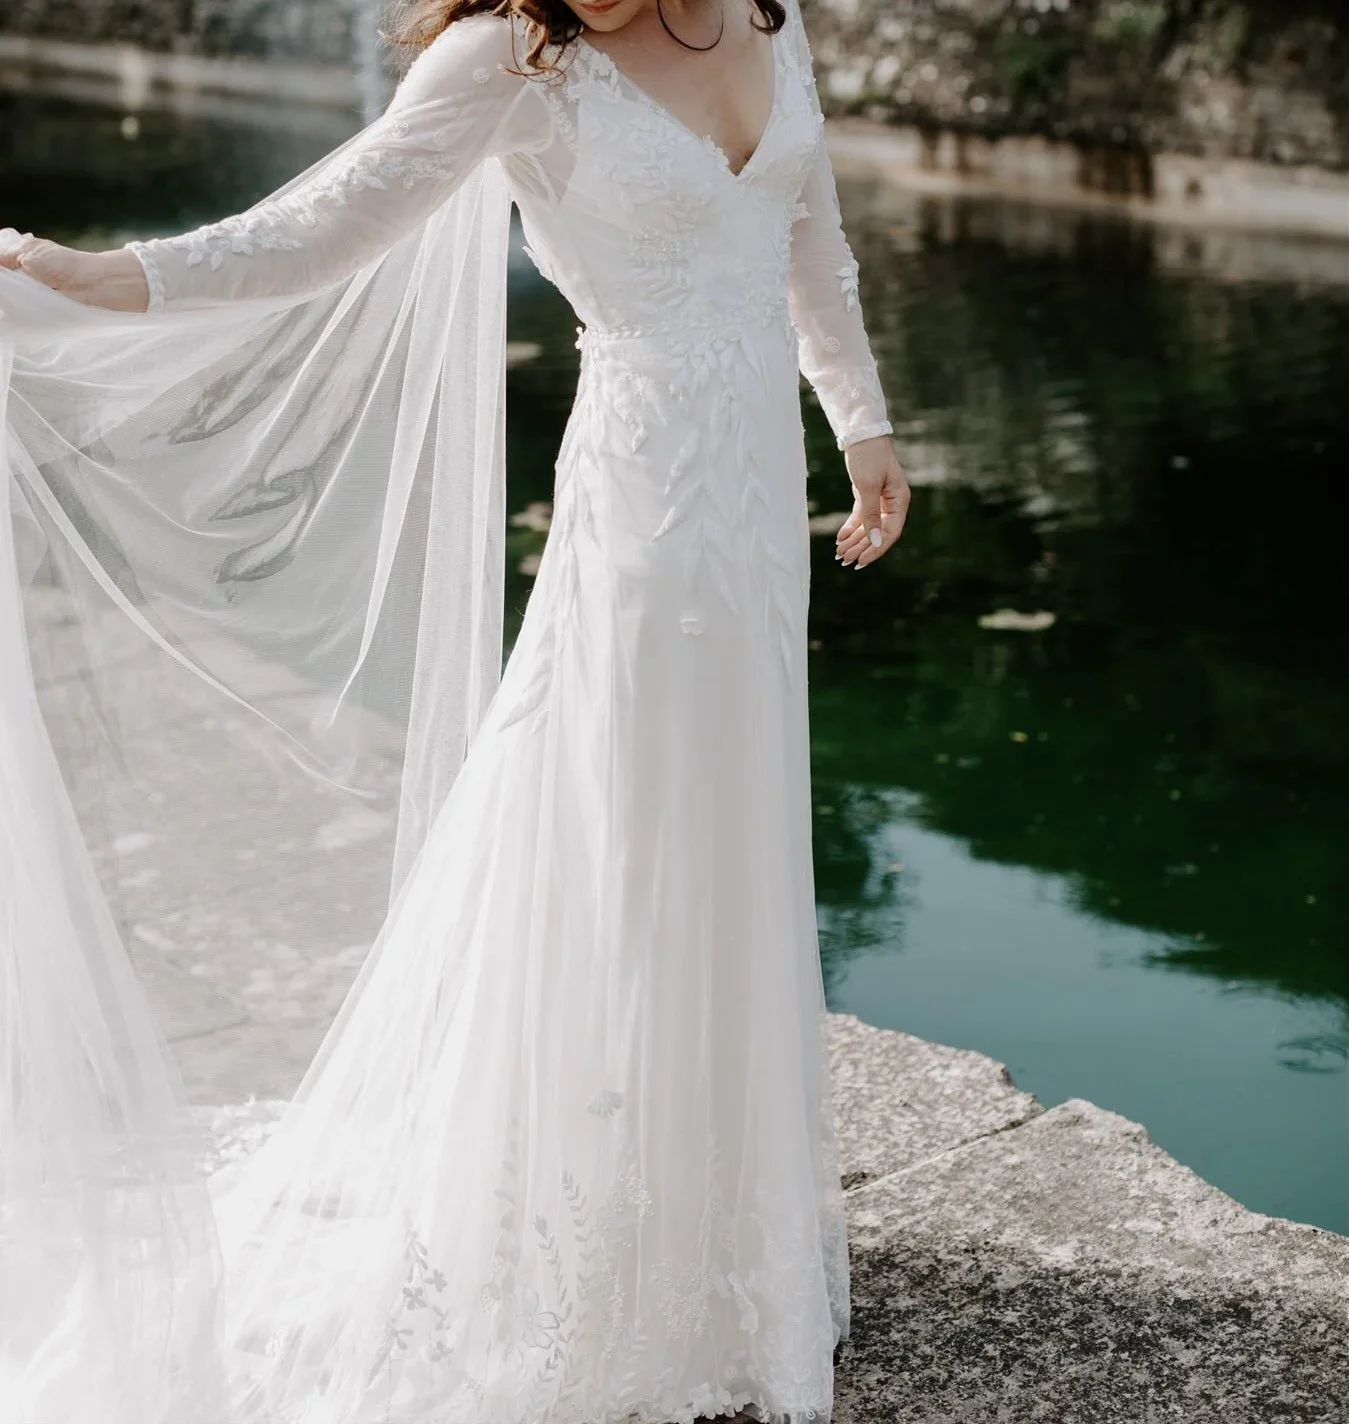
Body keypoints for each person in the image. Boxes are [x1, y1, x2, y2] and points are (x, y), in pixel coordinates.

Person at [0, 0, 909, 1418]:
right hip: (644, 508)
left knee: (732, 819)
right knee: (622, 824)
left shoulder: (763, 18)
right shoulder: (512, 60)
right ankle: (601, 1226)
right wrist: (102, 275)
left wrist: (862, 422)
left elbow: (809, 239)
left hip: (752, 507)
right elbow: (319, 230)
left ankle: (729, 1215)